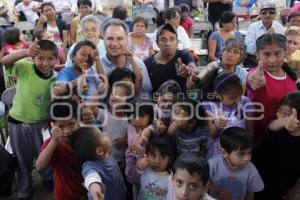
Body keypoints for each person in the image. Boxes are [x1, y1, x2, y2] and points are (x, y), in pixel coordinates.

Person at [0, 40, 57, 199]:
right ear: (33, 58)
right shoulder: (25, 66)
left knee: (44, 155)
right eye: (40, 58)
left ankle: (48, 180)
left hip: (42, 125)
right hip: (18, 122)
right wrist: (26, 52)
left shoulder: (56, 78)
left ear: (56, 59)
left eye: (49, 59)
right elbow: (4, 61)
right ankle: (25, 188)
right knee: (21, 159)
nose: (45, 63)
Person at [247, 33, 297, 145]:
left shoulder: (290, 77)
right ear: (257, 55)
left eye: (277, 53)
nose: (272, 60)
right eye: (266, 54)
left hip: (286, 140)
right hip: (260, 141)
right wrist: (253, 80)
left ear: (285, 53)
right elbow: (252, 79)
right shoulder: (257, 74)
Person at [35, 99, 87, 199]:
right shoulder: (51, 144)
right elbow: (39, 166)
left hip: (87, 190)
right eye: (60, 126)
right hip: (64, 193)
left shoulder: (85, 138)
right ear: (52, 125)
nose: (67, 131)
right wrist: (54, 141)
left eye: (71, 124)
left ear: (79, 121)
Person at [254, 91, 300, 199]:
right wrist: (286, 121)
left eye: (287, 114)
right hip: (259, 176)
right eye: (279, 111)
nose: (280, 115)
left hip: (281, 186)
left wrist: (295, 190)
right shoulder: (276, 124)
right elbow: (271, 126)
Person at [204, 72, 254, 159]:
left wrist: (246, 150)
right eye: (233, 98)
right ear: (217, 95)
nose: (238, 101)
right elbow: (213, 135)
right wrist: (217, 126)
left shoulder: (246, 102)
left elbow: (250, 131)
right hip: (218, 152)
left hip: (240, 151)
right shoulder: (211, 106)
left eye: (240, 95)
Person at [70, 127, 127, 200]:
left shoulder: (107, 154)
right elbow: (91, 178)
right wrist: (94, 189)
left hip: (120, 194)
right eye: (102, 135)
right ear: (99, 151)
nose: (105, 134)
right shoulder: (90, 166)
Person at [100, 19, 152, 97]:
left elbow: (146, 93)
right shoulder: (95, 67)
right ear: (103, 40)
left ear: (127, 40)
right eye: (110, 38)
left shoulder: (138, 64)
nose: (114, 44)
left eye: (119, 38)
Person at [208, 127, 264, 199]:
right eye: (241, 154)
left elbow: (250, 194)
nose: (247, 158)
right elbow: (204, 188)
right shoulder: (212, 165)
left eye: (249, 153)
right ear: (224, 152)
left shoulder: (251, 170)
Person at [144, 23, 196, 94]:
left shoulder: (184, 56)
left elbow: (194, 69)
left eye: (172, 39)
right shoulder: (147, 63)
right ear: (157, 43)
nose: (168, 43)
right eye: (163, 39)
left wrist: (189, 72)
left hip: (181, 103)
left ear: (177, 42)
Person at [125, 98, 154, 199]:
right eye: (133, 115)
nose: (136, 119)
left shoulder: (149, 130)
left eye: (141, 115)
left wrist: (147, 132)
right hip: (131, 171)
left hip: (145, 174)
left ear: (150, 117)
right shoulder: (130, 127)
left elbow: (152, 129)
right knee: (135, 192)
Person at [244, 2, 285, 68]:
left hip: (276, 60)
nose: (267, 15)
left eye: (271, 12)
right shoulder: (253, 27)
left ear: (275, 14)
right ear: (260, 14)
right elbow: (249, 49)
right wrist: (265, 37)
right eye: (264, 12)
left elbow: (284, 46)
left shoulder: (279, 27)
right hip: (256, 60)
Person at [137, 133, 177, 200]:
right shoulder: (145, 168)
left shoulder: (171, 178)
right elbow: (139, 168)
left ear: (170, 160)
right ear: (147, 156)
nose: (157, 161)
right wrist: (140, 164)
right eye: (153, 156)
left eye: (163, 157)